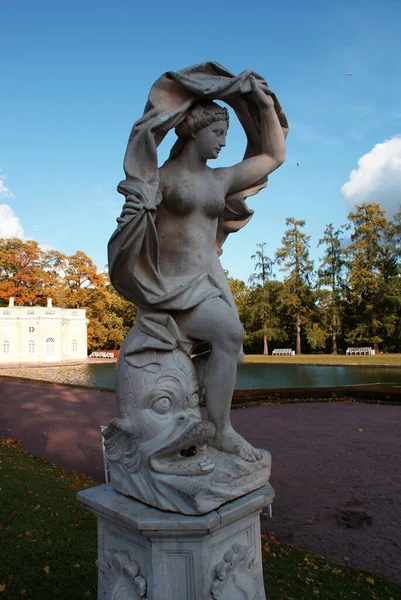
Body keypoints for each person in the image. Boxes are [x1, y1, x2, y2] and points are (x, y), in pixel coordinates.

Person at [109, 65, 287, 463]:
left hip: (209, 281)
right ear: (193, 130)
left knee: (231, 345)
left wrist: (260, 103)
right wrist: (137, 210)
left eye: (226, 134)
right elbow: (135, 220)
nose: (223, 143)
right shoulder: (162, 179)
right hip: (172, 289)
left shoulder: (219, 181)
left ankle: (203, 421)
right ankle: (222, 431)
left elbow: (274, 156)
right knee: (229, 337)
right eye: (218, 133)